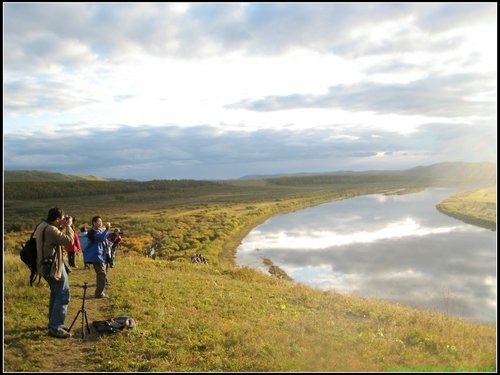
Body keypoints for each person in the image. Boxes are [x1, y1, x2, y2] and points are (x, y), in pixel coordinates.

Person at [35, 207, 75, 339]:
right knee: (63, 295)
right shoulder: (51, 229)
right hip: (53, 267)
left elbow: (54, 239)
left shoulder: (43, 225)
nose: (64, 220)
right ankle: (56, 327)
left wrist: (62, 226)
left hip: (44, 265)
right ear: (57, 219)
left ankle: (53, 323)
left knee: (55, 294)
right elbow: (69, 241)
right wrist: (69, 226)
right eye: (62, 219)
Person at [83, 216, 111, 298]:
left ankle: (99, 292)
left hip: (99, 255)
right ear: (93, 223)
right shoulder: (92, 232)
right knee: (102, 274)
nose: (100, 223)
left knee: (101, 274)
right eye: (98, 221)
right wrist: (107, 229)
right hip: (96, 256)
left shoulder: (98, 231)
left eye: (101, 221)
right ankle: (99, 293)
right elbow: (101, 238)